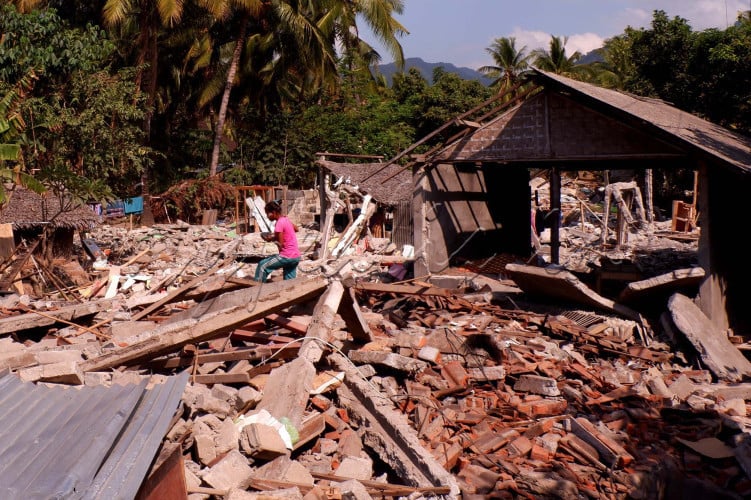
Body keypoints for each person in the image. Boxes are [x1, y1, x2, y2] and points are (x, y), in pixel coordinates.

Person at [254, 200, 301, 282]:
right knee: (289, 280)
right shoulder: (285, 219)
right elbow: (296, 229)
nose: (268, 216)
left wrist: (270, 239)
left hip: (286, 256)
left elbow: (280, 244)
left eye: (268, 214)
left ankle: (256, 288)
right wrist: (276, 235)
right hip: (296, 256)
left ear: (274, 212)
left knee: (262, 266)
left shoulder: (279, 223)